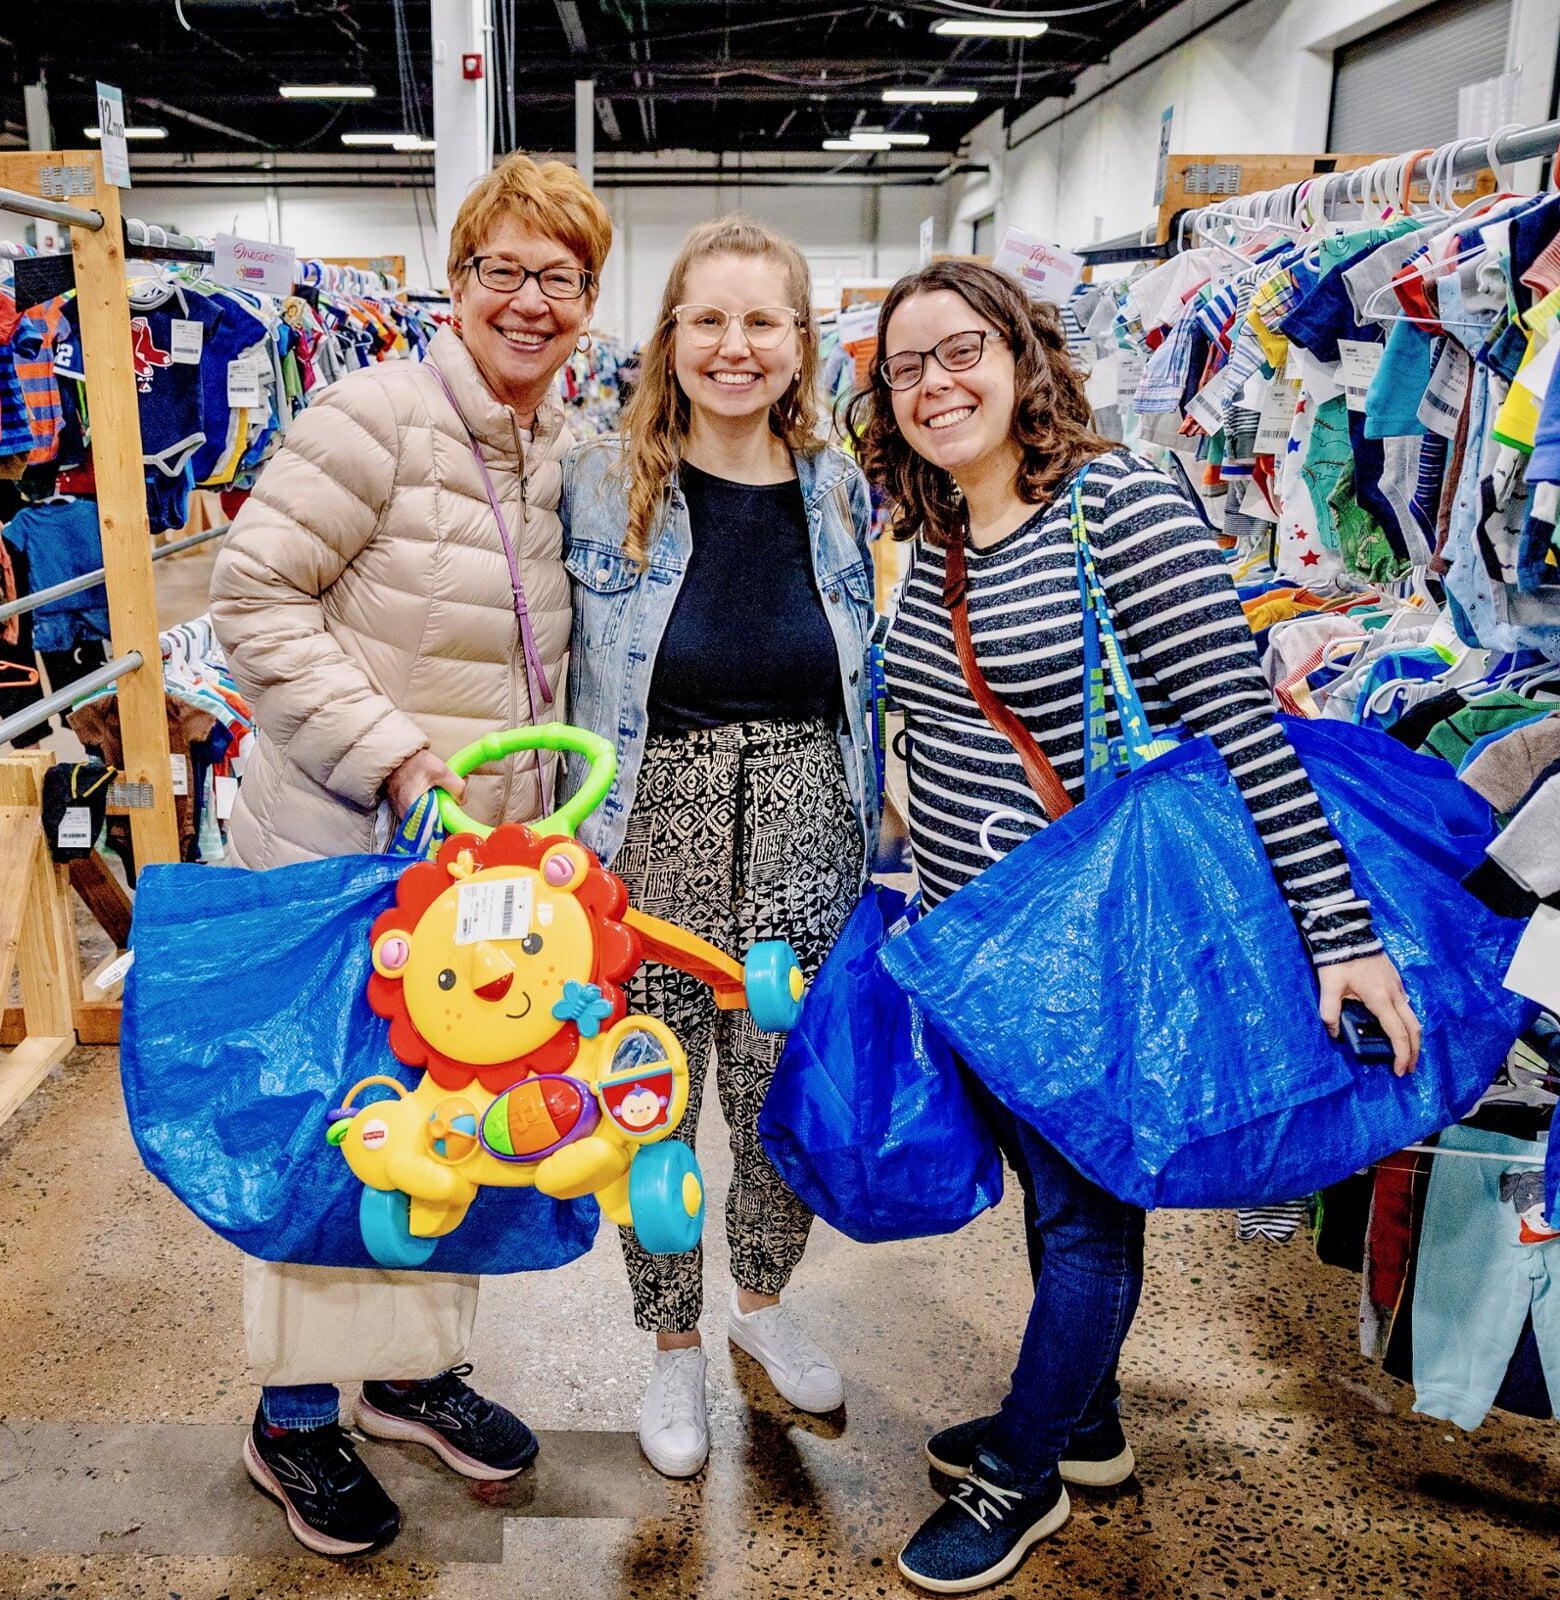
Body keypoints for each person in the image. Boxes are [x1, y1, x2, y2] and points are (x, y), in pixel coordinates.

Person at [846, 260, 1423, 1594]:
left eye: (962, 352)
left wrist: (1337, 930)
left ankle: (1023, 1476)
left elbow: (1246, 735)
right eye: (908, 367)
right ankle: (1083, 1420)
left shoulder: (1121, 505)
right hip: (975, 946)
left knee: (1089, 1216)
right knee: (1055, 1204)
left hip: (1093, 948)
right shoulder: (934, 535)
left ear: (1025, 354)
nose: (937, 385)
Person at [209, 152, 611, 1557]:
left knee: (448, 1132)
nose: (530, 300)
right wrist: (389, 750)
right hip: (343, 850)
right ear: (457, 282)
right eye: (504, 270)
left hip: (472, 877)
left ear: (587, 305)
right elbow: (251, 596)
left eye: (561, 279)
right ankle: (295, 1415)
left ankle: (409, 1375)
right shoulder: (371, 412)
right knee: (338, 1129)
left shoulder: (557, 441)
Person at [559, 217, 878, 1478]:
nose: (734, 346)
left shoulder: (839, 488)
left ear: (800, 345)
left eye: (763, 321)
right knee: (653, 1094)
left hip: (807, 811)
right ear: (670, 336)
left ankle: (762, 1305)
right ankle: (672, 1346)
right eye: (709, 319)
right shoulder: (596, 478)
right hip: (649, 822)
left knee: (772, 1091)